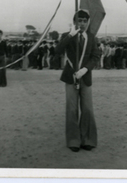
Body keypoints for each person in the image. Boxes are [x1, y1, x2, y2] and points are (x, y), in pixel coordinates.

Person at [55, 9, 100, 152]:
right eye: (79, 21)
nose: (82, 23)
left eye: (84, 21)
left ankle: (87, 139)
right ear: (75, 22)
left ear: (88, 23)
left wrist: (85, 69)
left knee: (87, 108)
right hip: (71, 76)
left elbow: (95, 57)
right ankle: (73, 140)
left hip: (85, 77)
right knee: (72, 108)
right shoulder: (68, 36)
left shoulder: (92, 38)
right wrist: (70, 36)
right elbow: (58, 50)